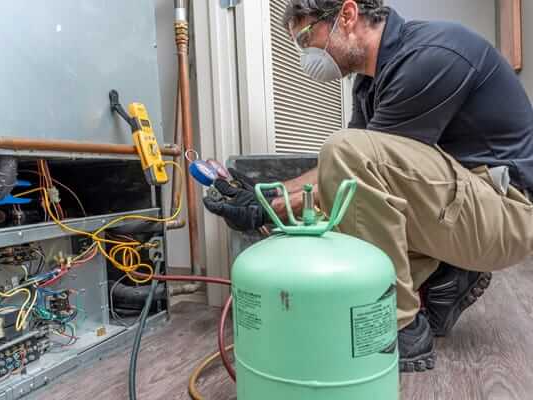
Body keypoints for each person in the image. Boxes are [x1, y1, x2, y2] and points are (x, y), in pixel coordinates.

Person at [203, 0, 533, 373]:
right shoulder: (370, 84)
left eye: (306, 37)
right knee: (351, 191)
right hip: (469, 207)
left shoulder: (431, 55)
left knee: (345, 151)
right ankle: (445, 278)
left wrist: (269, 202)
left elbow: (351, 163)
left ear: (347, 15)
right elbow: (348, 184)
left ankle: (401, 328)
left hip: (509, 214)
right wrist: (267, 196)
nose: (304, 54)